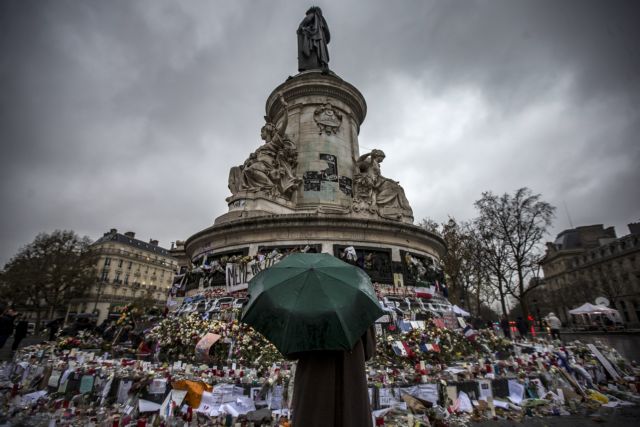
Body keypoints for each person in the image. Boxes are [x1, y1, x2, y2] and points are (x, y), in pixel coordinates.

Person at [290, 327, 375, 427]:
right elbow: (369, 350)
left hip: (312, 383)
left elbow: (291, 352)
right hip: (350, 380)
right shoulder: (358, 317)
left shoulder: (304, 316)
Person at [297, 7, 330, 72]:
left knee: (314, 49)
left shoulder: (313, 14)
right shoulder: (321, 20)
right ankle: (322, 63)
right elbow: (327, 35)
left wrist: (300, 27)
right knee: (320, 51)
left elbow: (306, 20)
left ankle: (312, 64)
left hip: (315, 37)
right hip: (320, 39)